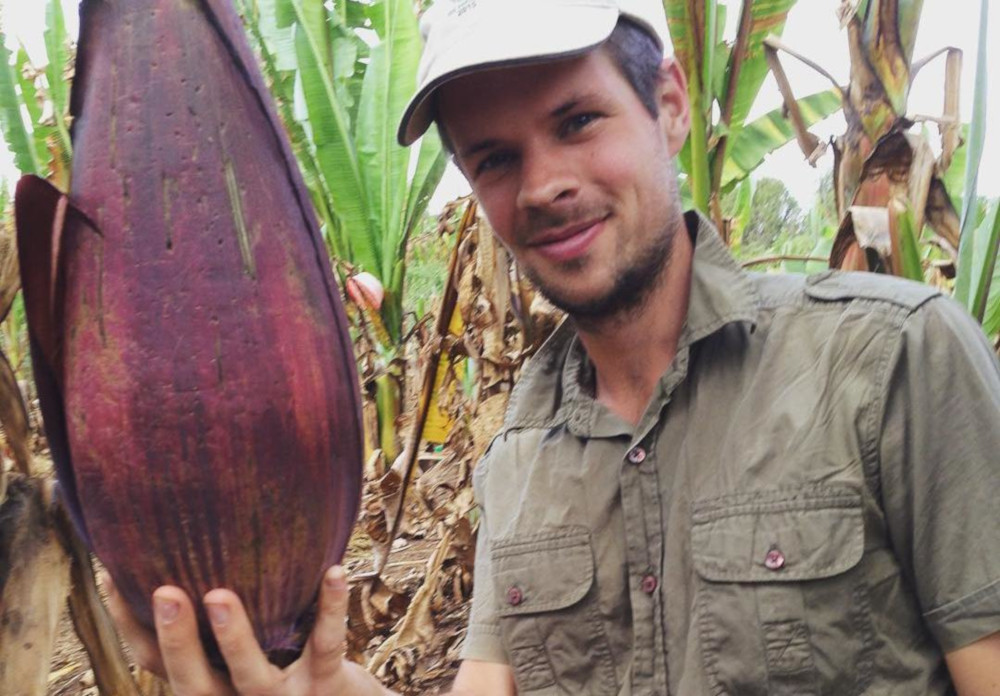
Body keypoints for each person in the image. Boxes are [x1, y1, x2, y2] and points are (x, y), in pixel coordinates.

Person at [107, 0, 1000, 693]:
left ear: (670, 105)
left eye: (577, 122)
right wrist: (324, 686)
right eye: (494, 159)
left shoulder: (892, 363)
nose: (543, 186)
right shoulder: (520, 447)